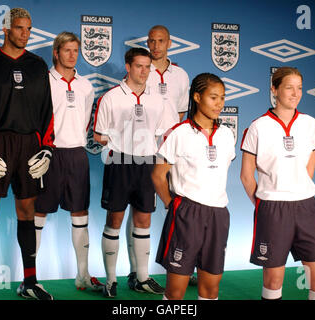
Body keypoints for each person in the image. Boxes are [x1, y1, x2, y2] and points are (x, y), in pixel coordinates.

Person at [0, 8, 54, 300]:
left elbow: (47, 112)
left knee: (27, 211)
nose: (25, 34)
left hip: (29, 145)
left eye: (29, 29)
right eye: (19, 28)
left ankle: (29, 282)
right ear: (6, 29)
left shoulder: (38, 65)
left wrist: (47, 149)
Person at [240, 66, 315, 300]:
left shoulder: (310, 124)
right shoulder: (258, 126)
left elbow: (309, 168)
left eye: (299, 88)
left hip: (306, 207)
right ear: (274, 89)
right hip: (273, 208)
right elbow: (246, 176)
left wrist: (296, 189)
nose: (295, 93)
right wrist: (264, 203)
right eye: (289, 87)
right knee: (273, 280)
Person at [93, 47, 169, 298]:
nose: (144, 71)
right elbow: (98, 135)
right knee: (114, 221)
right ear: (128, 67)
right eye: (139, 66)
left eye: (148, 67)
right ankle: (111, 280)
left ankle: (142, 278)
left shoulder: (157, 99)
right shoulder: (112, 97)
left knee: (144, 220)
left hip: (147, 163)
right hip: (120, 164)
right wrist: (121, 142)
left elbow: (162, 132)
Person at [152, 73, 235, 300]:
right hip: (187, 213)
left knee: (210, 290)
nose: (219, 104)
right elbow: (158, 176)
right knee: (175, 292)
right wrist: (174, 205)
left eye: (222, 98)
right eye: (213, 97)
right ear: (197, 97)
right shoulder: (179, 133)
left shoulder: (227, 135)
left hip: (218, 214)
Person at [32, 31, 104, 292]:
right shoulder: (44, 82)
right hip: (49, 153)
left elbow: (85, 121)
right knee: (38, 212)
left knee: (80, 212)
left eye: (76, 50)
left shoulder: (86, 86)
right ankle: (31, 278)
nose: (72, 55)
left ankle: (82, 275)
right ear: (56, 52)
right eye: (67, 50)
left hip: (76, 154)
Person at [126, 24, 192, 290]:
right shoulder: (142, 70)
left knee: (183, 208)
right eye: (151, 41)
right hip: (145, 152)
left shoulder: (181, 75)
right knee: (139, 210)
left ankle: (182, 267)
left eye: (160, 41)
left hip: (174, 152)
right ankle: (135, 272)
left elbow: (180, 115)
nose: (155, 46)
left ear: (170, 43)